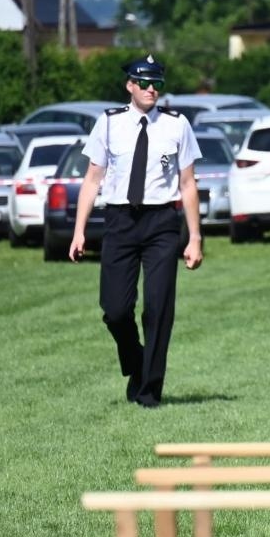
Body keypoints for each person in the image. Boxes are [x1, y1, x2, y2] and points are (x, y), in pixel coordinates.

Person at [71, 55, 204, 408]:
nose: (150, 89)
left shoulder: (177, 125)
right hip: (119, 222)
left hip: (162, 223)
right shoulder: (109, 123)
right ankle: (136, 361)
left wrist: (194, 238)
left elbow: (188, 185)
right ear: (129, 85)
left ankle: (149, 391)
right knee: (115, 309)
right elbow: (92, 179)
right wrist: (79, 231)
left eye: (157, 83)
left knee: (158, 309)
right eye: (144, 83)